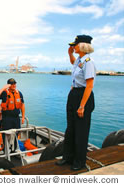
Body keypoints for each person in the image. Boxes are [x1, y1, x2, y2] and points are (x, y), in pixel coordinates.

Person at [55, 35, 96, 171]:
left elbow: (89, 85)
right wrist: (69, 54)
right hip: (74, 94)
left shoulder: (88, 62)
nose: (73, 47)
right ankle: (68, 157)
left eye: (75, 45)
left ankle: (79, 161)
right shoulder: (79, 60)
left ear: (83, 46)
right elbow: (74, 63)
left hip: (83, 96)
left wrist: (82, 106)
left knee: (81, 131)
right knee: (70, 128)